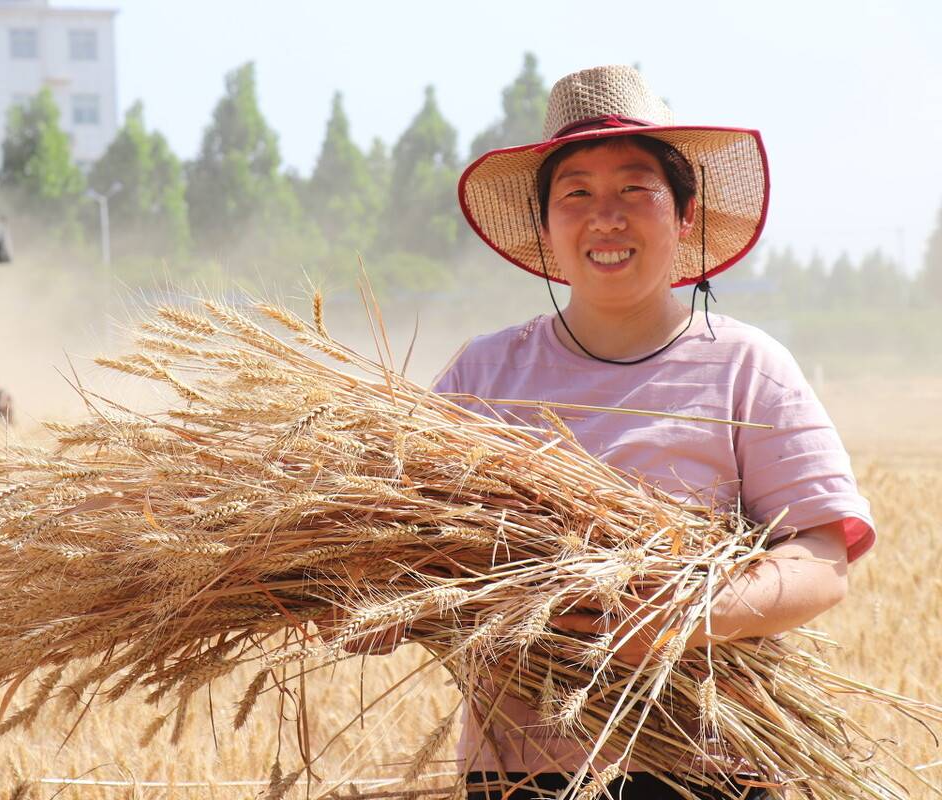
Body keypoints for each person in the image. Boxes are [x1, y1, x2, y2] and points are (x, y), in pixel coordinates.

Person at [365, 65, 874, 799]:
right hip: (518, 774)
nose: (607, 216)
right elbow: (401, 546)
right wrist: (365, 595)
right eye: (576, 194)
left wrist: (693, 614)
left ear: (683, 214)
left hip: (702, 768)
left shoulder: (746, 368)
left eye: (636, 189)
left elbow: (824, 556)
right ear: (545, 227)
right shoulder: (482, 375)